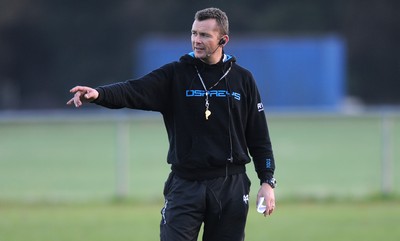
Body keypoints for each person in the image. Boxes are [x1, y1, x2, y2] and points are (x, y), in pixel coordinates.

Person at [67, 7, 276, 241]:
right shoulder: (175, 75)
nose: (197, 40)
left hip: (231, 187)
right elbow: (134, 90)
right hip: (185, 185)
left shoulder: (242, 79)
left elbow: (259, 136)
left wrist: (267, 181)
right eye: (194, 33)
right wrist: (99, 94)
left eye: (205, 35)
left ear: (223, 40)